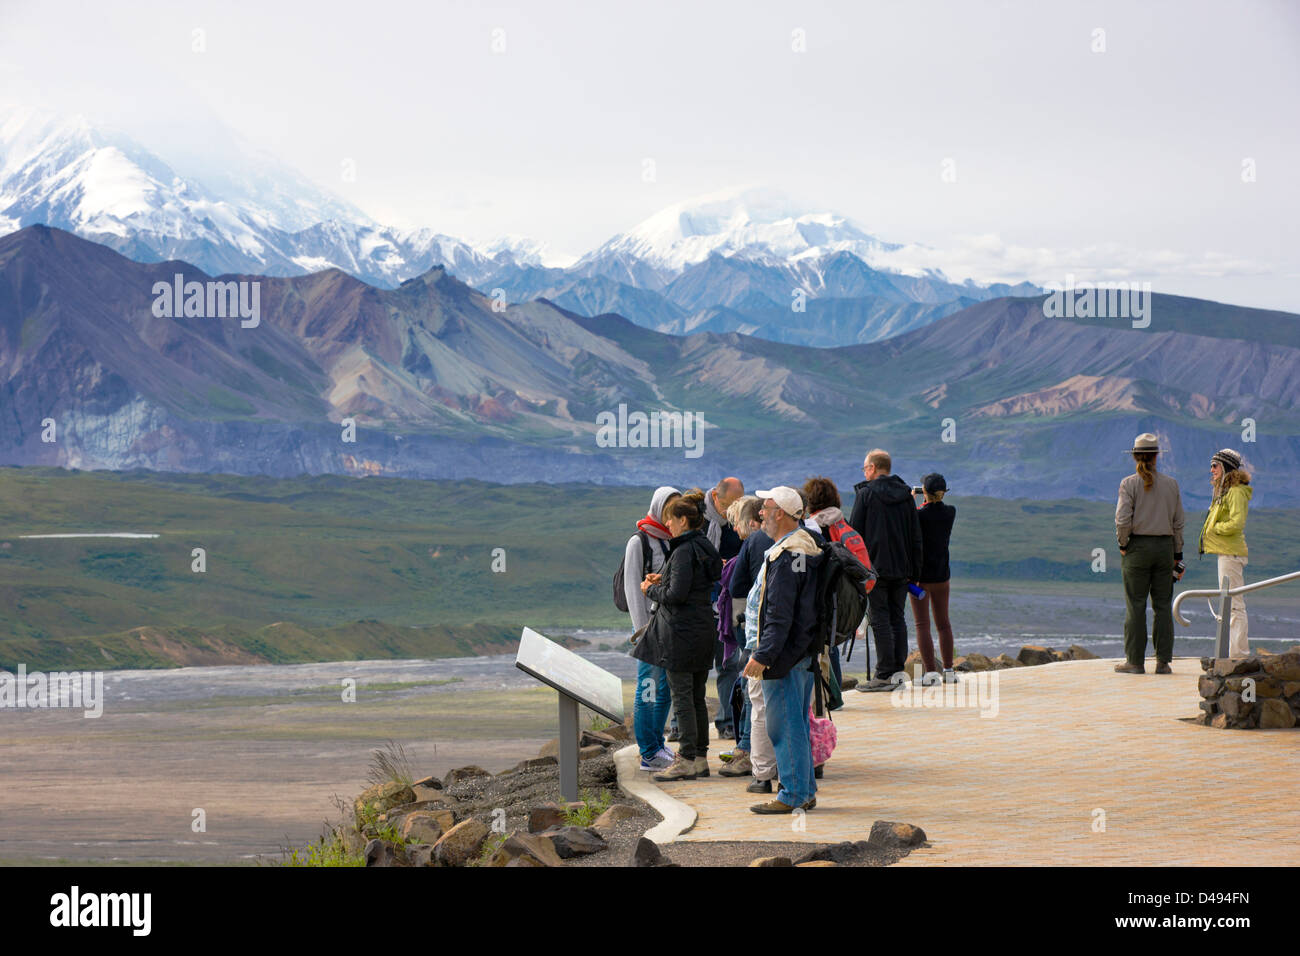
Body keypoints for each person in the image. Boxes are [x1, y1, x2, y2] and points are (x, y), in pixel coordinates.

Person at [741, 486, 824, 814]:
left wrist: (763, 655)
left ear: (781, 514)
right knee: (796, 724)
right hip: (799, 655)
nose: (760, 512)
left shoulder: (787, 554)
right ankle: (804, 790)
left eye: (766, 507)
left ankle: (791, 795)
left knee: (783, 726)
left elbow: (779, 613)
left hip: (783, 658)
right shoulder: (804, 548)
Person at [632, 489, 723, 782]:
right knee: (697, 696)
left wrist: (650, 590)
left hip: (680, 634)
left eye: (671, 520)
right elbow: (696, 583)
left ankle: (684, 759)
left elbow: (676, 595)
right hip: (702, 629)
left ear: (683, 520)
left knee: (682, 696)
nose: (668, 525)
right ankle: (699, 757)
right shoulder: (705, 545)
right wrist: (667, 576)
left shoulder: (683, 550)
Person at [850, 449, 923, 691]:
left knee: (879, 618)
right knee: (897, 617)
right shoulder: (905, 495)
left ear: (872, 468)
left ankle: (883, 674)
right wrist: (916, 570)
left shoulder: (866, 495)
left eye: (865, 468)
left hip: (874, 568)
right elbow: (915, 535)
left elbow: (854, 535)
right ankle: (897, 672)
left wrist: (855, 570)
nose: (864, 472)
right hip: (902, 568)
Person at [1115, 433, 1185, 674]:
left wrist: (1123, 544)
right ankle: (1163, 662)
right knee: (1163, 606)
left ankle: (1134, 662)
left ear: (1135, 456)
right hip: (1165, 548)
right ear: (1157, 456)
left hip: (1137, 549)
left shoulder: (1128, 484)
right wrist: (1178, 554)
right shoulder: (1172, 484)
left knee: (1135, 605)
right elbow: (1178, 523)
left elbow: (1123, 520)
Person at [625, 486, 681, 771]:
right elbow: (633, 588)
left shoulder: (672, 540)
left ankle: (658, 744)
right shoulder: (640, 542)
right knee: (647, 689)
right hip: (649, 630)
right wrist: (641, 631)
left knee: (664, 688)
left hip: (669, 627)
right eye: (668, 509)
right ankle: (648, 752)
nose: (672, 516)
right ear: (658, 508)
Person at [718, 495, 762, 780]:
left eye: (736, 522)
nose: (734, 529)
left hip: (754, 633)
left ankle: (746, 749)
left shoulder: (753, 545)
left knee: (749, 692)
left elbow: (739, 589)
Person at [1198, 448, 1253, 657]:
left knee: (1234, 605)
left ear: (1226, 467)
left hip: (1231, 554)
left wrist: (1216, 529)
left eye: (1215, 465)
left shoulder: (1236, 491)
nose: (1211, 470)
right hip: (1225, 553)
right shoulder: (1224, 491)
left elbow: (1237, 523)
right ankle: (1233, 653)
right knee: (1229, 604)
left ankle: (1238, 655)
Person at [704, 477, 744, 740]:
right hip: (700, 604)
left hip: (726, 605)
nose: (735, 509)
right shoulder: (698, 519)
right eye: (732, 503)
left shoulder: (738, 522)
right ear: (717, 498)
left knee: (728, 663)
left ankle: (727, 721)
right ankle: (676, 724)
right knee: (692, 667)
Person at [911, 474, 958, 684]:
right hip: (942, 576)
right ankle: (949, 670)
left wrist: (915, 501)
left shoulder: (918, 514)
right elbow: (934, 511)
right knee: (943, 624)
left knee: (922, 625)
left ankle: (931, 673)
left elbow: (919, 517)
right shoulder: (950, 512)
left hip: (921, 578)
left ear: (925, 492)